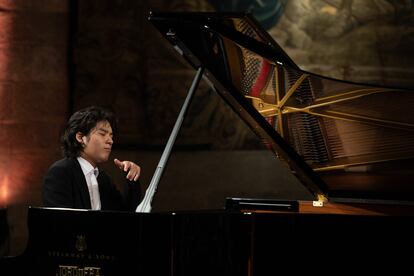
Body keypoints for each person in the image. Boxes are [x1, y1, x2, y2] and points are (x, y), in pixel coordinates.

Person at [42, 106, 141, 211]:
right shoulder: (60, 172)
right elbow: (57, 221)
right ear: (80, 137)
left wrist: (131, 177)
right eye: (102, 134)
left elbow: (124, 215)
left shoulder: (103, 179)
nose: (110, 141)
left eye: (111, 136)